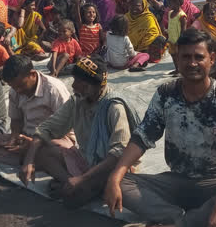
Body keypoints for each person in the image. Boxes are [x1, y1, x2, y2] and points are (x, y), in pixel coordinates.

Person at [104, 29, 216, 227]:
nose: (192, 63)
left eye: (199, 57)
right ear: (177, 59)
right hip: (175, 181)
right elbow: (142, 136)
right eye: (186, 57)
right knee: (119, 182)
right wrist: (115, 175)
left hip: (212, 182)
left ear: (212, 59)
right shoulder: (167, 93)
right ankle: (185, 220)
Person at [21, 55, 140, 208]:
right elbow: (46, 128)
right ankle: (73, 185)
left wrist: (82, 178)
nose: (74, 86)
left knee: (72, 199)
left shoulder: (114, 107)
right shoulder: (77, 101)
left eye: (81, 83)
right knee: (40, 150)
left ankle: (78, 186)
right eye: (75, 80)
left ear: (96, 85)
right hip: (86, 160)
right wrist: (29, 161)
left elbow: (119, 153)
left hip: (108, 169)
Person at [0, 55, 71, 167]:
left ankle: (34, 160)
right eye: (14, 87)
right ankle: (36, 162)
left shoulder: (54, 89)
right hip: (26, 138)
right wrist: (14, 137)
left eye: (21, 86)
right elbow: (16, 120)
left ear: (32, 74)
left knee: (57, 152)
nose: (18, 91)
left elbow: (65, 127)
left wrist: (33, 143)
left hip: (54, 139)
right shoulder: (14, 91)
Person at [165, 0, 188, 73]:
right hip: (171, 40)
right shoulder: (170, 13)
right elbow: (170, 26)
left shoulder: (182, 16)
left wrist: (180, 41)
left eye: (170, 2)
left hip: (178, 41)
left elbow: (183, 30)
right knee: (173, 55)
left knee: (179, 56)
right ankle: (177, 69)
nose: (169, 4)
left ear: (177, 2)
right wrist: (167, 36)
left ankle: (181, 70)